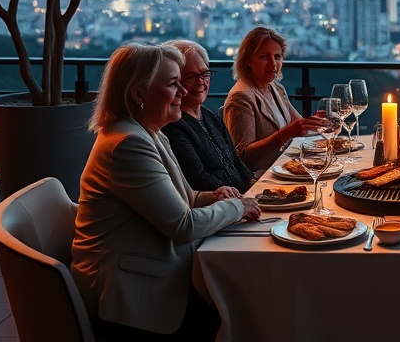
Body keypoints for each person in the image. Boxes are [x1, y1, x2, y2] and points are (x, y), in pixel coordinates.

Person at [71, 42, 261, 340]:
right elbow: (182, 225)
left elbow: (185, 198)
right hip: (133, 298)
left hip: (157, 273)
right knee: (243, 310)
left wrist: (215, 196)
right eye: (174, 84)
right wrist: (238, 207)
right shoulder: (127, 145)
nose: (184, 92)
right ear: (138, 93)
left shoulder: (147, 131)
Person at [223, 25, 326, 172]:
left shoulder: (276, 88)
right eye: (264, 57)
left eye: (277, 57)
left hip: (285, 169)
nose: (273, 64)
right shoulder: (241, 97)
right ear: (248, 61)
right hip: (260, 179)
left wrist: (314, 122)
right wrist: (284, 134)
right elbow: (243, 156)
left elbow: (297, 124)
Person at [162, 39, 255, 191]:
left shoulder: (208, 115)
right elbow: (197, 179)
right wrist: (242, 198)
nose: (201, 82)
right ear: (174, 81)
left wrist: (255, 185)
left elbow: (235, 161)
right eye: (190, 77)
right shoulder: (173, 125)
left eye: (204, 74)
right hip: (223, 205)